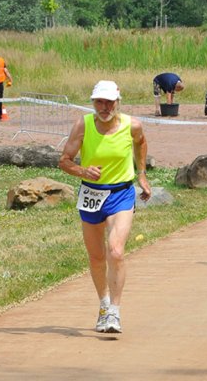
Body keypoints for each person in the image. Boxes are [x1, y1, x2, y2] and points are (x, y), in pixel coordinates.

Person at [58, 80, 151, 334]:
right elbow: (64, 161)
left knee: (116, 251)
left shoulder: (132, 125)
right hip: (91, 194)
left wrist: (141, 174)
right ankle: (103, 304)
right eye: (99, 101)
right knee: (97, 257)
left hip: (121, 193)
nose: (104, 107)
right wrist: (82, 170)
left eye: (109, 102)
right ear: (93, 103)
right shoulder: (83, 125)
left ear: (117, 102)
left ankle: (115, 313)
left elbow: (141, 143)